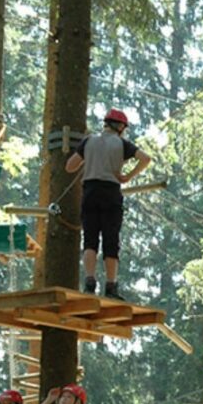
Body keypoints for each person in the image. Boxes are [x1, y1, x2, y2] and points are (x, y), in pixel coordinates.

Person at [65, 108, 152, 299]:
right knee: (111, 240)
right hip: (111, 193)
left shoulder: (89, 141)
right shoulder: (121, 143)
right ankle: (111, 286)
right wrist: (128, 176)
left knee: (90, 239)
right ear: (120, 126)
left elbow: (70, 166)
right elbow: (146, 159)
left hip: (90, 192)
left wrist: (88, 160)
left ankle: (89, 283)